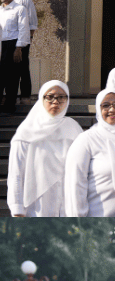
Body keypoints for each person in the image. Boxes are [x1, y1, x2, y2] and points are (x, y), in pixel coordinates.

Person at [8, 80, 81, 216]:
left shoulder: (74, 128)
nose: (56, 101)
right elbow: (16, 175)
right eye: (50, 97)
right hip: (36, 208)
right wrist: (17, 209)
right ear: (41, 98)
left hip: (68, 206)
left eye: (61, 97)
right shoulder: (26, 133)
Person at [0, 0, 32, 115]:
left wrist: (19, 48)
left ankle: (9, 107)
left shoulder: (20, 9)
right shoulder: (0, 10)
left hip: (13, 45)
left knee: (12, 77)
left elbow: (24, 29)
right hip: (1, 45)